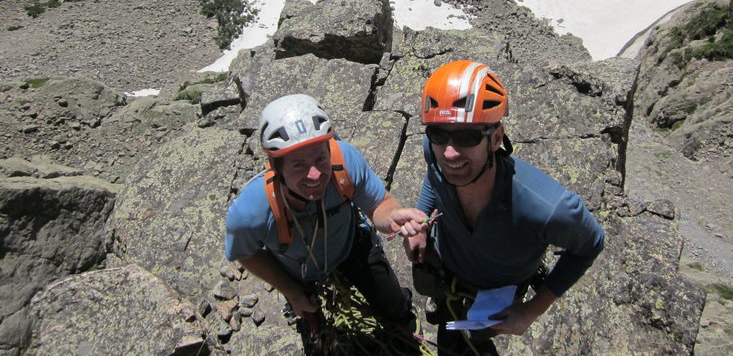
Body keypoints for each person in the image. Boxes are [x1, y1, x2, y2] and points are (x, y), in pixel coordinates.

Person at [404, 61, 605, 355]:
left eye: (467, 137)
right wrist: (422, 221)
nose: (449, 152)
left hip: (497, 292)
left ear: (496, 138)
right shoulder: (434, 153)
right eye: (438, 134)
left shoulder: (548, 207)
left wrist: (531, 310)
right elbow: (434, 175)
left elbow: (590, 244)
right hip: (449, 272)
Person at [225, 93, 432, 342]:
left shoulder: (344, 161)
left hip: (352, 246)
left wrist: (394, 216)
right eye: (298, 165)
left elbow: (380, 204)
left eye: (321, 158)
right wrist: (291, 291)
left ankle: (406, 329)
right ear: (275, 166)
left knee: (393, 306)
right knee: (318, 332)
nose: (314, 175)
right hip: (298, 273)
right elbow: (244, 253)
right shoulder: (251, 211)